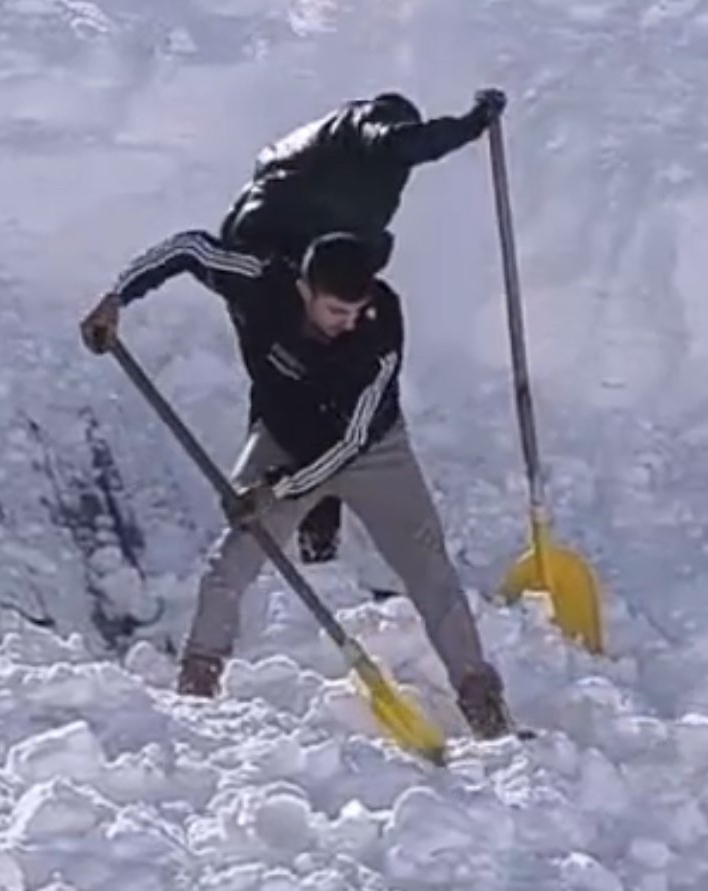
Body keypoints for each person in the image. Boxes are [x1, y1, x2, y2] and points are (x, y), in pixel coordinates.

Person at [78, 228, 511, 740]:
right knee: (229, 565)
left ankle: (483, 705)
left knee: (429, 569)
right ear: (305, 290)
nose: (347, 324)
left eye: (355, 311)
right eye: (335, 312)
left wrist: (273, 491)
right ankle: (196, 690)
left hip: (372, 451)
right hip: (282, 438)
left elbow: (350, 444)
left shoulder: (379, 328)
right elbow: (190, 250)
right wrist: (117, 295)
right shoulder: (262, 281)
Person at [218, 86, 508, 569]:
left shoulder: (334, 157)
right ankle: (293, 520)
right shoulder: (364, 131)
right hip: (270, 256)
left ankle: (307, 529)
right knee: (299, 388)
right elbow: (409, 143)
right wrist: (475, 121)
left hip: (286, 256)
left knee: (298, 386)